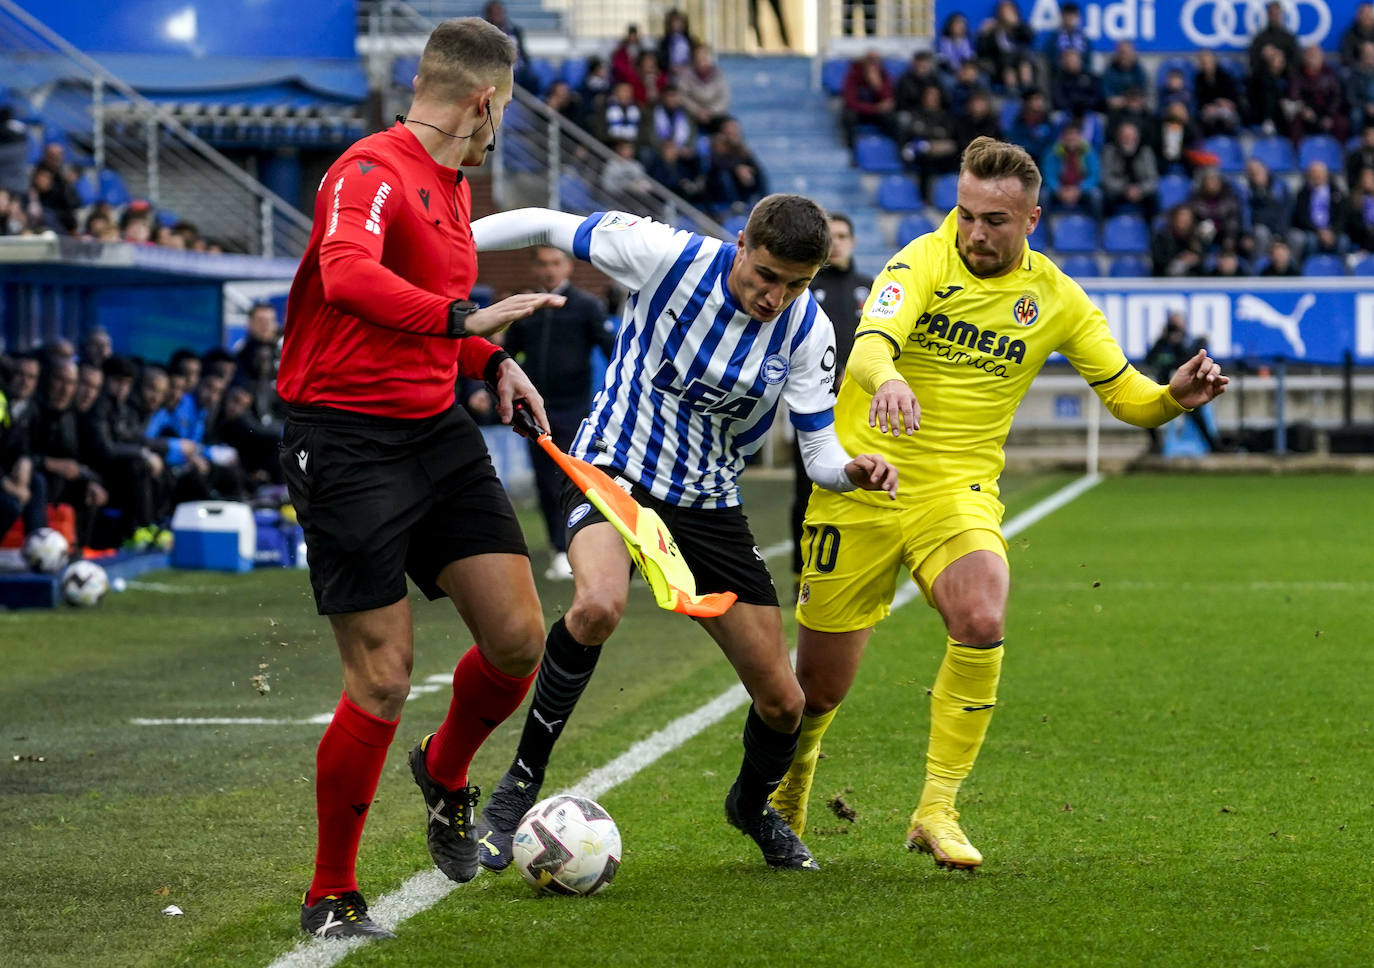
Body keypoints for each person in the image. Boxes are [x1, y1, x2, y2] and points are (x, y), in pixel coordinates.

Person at [767, 137, 1228, 870]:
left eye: (995, 221)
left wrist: (1174, 397)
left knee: (982, 616)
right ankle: (791, 787)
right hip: (864, 483)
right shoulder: (921, 259)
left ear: (1032, 220)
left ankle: (937, 809)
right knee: (818, 686)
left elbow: (1128, 396)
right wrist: (888, 379)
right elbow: (867, 347)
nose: (976, 233)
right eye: (967, 214)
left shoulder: (1057, 299)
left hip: (957, 493)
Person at [468, 194, 899, 874]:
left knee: (785, 702)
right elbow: (548, 223)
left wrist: (854, 470)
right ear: (739, 243)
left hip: (707, 504)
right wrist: (449, 248)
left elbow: (817, 455)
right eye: (764, 274)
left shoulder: (809, 331)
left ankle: (751, 807)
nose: (774, 295)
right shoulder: (667, 255)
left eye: (795, 283)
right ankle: (516, 787)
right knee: (598, 604)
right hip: (612, 469)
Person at [275, 18, 564, 941]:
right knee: (382, 679)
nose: (501, 127)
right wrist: (466, 322)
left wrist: (488, 365)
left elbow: (436, 321)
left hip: (435, 431)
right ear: (484, 99)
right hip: (346, 441)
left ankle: (442, 774)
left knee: (520, 640)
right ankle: (331, 895)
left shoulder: (453, 183)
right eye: (504, 110)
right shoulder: (366, 171)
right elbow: (350, 277)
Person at [501, 245, 615, 580]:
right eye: (542, 264)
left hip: (576, 410)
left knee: (579, 480)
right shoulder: (526, 307)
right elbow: (506, 353)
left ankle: (587, 543)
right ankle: (559, 549)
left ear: (567, 267)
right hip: (536, 413)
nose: (549, 270)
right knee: (546, 481)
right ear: (535, 269)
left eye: (555, 263)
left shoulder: (586, 306)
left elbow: (614, 353)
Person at [791, 213, 871, 591]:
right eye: (831, 237)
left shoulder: (870, 289)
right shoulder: (804, 290)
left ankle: (853, 571)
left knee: (859, 487)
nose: (837, 243)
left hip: (863, 413)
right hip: (813, 407)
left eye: (843, 235)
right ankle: (800, 573)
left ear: (853, 241)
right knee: (805, 492)